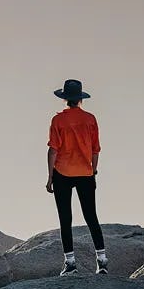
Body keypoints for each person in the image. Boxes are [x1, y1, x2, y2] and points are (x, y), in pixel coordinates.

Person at [45, 79, 106, 275]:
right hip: (85, 173)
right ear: (80, 99)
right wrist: (93, 170)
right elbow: (96, 150)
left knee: (65, 219)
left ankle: (70, 264)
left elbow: (53, 150)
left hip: (62, 173)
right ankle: (102, 260)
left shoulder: (58, 121)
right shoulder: (90, 119)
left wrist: (50, 176)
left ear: (65, 99)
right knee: (91, 217)